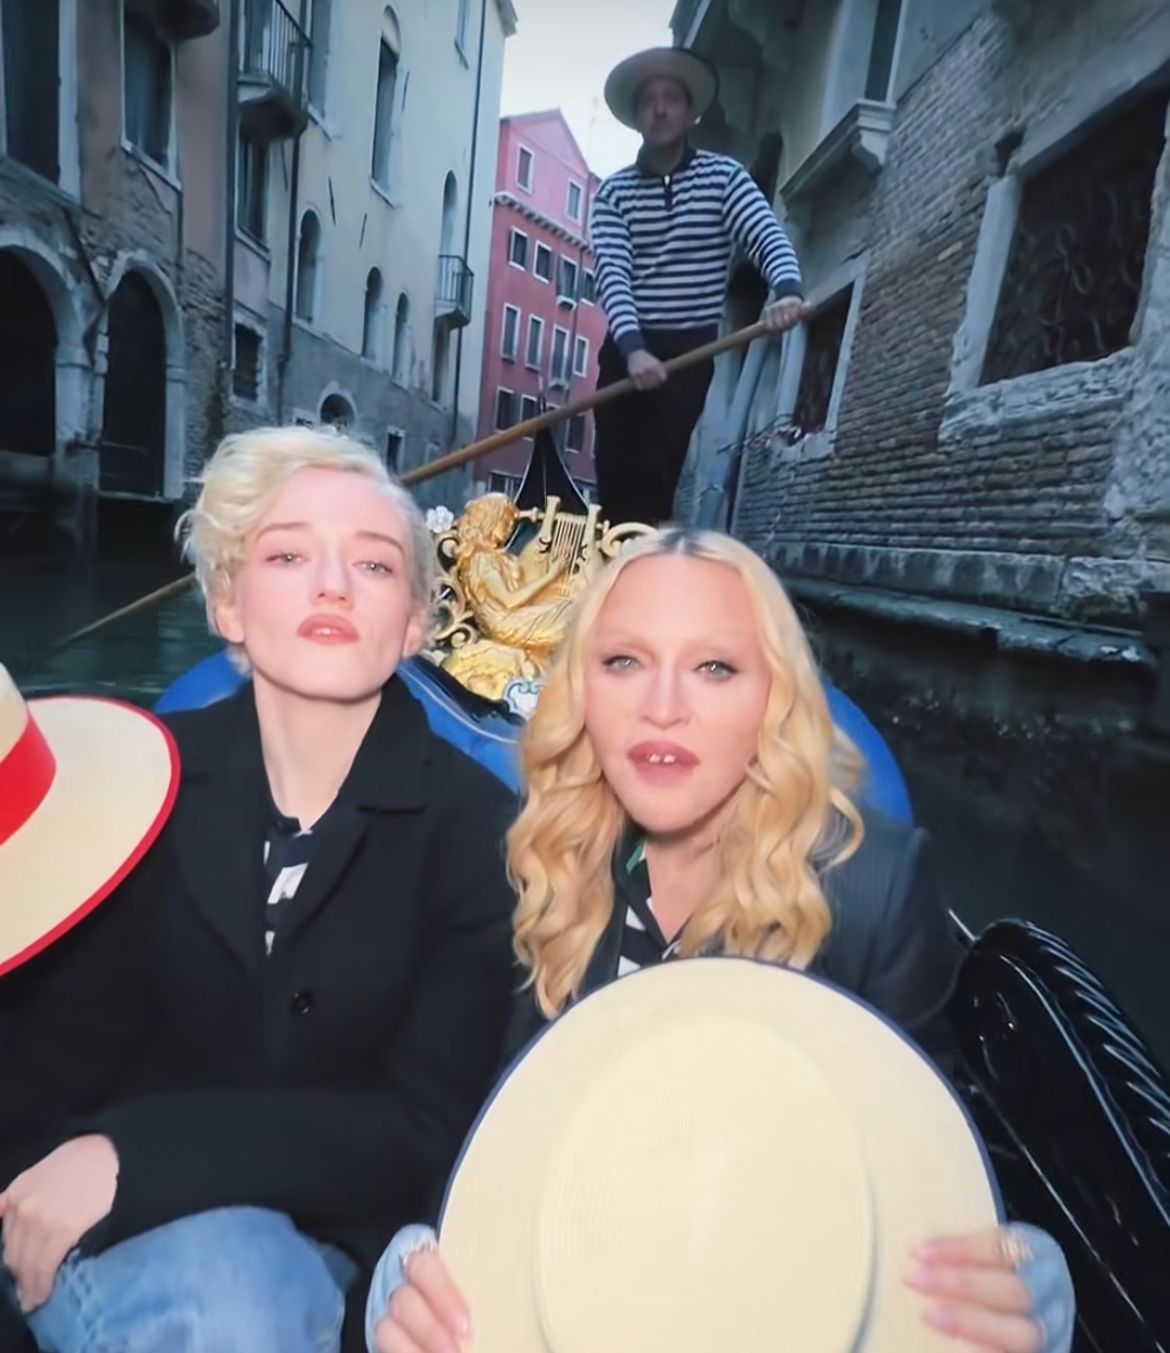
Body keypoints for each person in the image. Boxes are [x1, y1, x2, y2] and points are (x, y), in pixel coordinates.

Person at [368, 528, 1076, 1353]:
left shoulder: (874, 888)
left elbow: (936, 1166)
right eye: (624, 661)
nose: (663, 706)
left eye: (714, 667)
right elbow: (458, 1136)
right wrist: (410, 1265)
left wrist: (1023, 1270)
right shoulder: (529, 864)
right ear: (582, 691)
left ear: (773, 698)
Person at [0, 426, 518, 1353]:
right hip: (101, 1230)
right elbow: (45, 1070)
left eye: (374, 563)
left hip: (334, 1247)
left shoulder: (479, 830)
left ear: (413, 623)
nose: (333, 584)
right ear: (227, 604)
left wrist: (141, 1155)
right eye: (288, 556)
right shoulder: (128, 788)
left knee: (243, 1300)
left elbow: (423, 1129)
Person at [590, 48, 808, 528]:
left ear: (689, 112)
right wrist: (634, 350)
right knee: (615, 491)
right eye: (649, 100)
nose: (660, 109)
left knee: (655, 489)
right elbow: (613, 275)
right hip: (627, 350)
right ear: (637, 115)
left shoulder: (724, 178)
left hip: (689, 354)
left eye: (671, 98)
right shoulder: (613, 194)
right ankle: (617, 565)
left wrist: (787, 290)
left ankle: (648, 567)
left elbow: (766, 235)